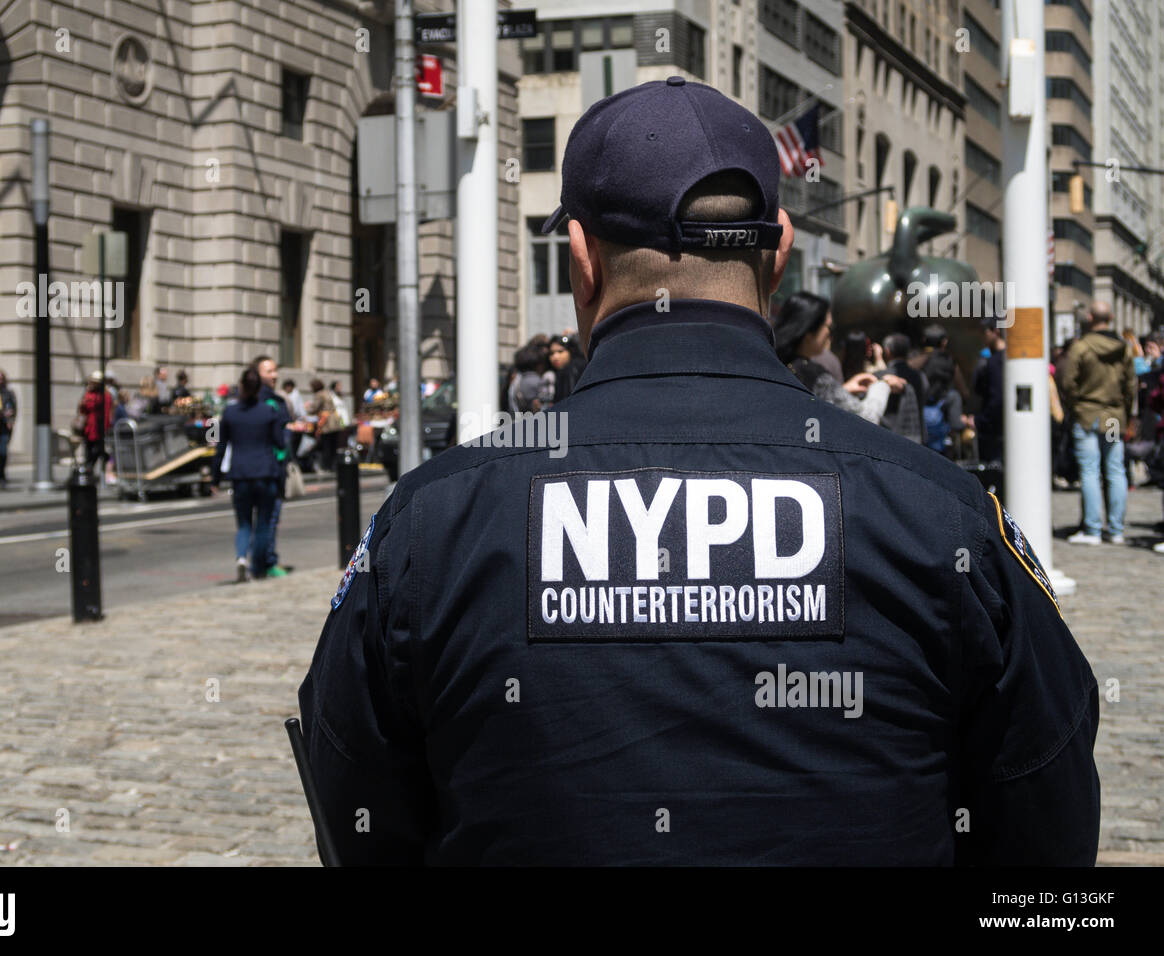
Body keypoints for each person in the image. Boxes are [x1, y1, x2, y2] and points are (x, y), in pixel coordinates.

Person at [298, 78, 1099, 866]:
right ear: (778, 251)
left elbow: (358, 804)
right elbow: (1046, 817)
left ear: (581, 259)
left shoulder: (436, 519)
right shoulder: (938, 512)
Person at [1060, 301, 1136, 545]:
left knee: (1090, 471)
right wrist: (1126, 410)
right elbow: (1130, 385)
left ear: (1090, 317)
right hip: (1113, 417)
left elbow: (1068, 382)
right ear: (1111, 317)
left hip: (1087, 415)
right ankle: (1116, 529)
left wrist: (1075, 404)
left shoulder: (1081, 347)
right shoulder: (1124, 349)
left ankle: (1092, 529)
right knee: (1115, 470)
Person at [773, 292, 902, 425]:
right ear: (809, 331)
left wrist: (843, 389)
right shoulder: (814, 374)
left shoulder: (774, 361)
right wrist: (883, 385)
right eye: (828, 327)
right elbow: (867, 417)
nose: (829, 333)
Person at [211, 366, 288, 581]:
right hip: (265, 471)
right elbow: (279, 442)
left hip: (241, 474)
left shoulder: (230, 412)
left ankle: (241, 556)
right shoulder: (268, 411)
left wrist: (214, 478)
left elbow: (220, 447)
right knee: (263, 523)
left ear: (242, 386)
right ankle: (258, 567)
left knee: (244, 523)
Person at [251, 355, 294, 576]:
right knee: (269, 516)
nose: (274, 375)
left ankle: (259, 561)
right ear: (257, 374)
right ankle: (265, 562)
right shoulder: (269, 402)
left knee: (261, 518)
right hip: (269, 467)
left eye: (275, 370)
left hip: (259, 467)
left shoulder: (263, 400)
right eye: (269, 371)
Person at [880, 333, 927, 444]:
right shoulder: (920, 376)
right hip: (917, 437)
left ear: (887, 351)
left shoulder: (881, 377)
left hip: (888, 438)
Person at [972, 318, 1006, 462]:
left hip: (994, 430)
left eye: (985, 332)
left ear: (996, 332)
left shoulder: (995, 361)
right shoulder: (995, 359)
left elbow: (997, 398)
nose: (982, 337)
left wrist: (980, 420)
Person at [78, 371, 113, 480]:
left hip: (99, 428)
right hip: (89, 428)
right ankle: (90, 471)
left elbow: (106, 412)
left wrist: (106, 428)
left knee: (98, 451)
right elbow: (83, 410)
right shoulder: (88, 394)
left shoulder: (105, 396)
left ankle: (91, 469)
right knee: (89, 451)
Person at [546, 335, 587, 404]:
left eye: (560, 351)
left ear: (570, 351)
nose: (555, 357)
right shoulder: (560, 371)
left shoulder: (572, 370)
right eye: (551, 353)